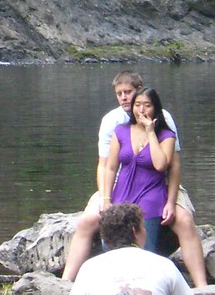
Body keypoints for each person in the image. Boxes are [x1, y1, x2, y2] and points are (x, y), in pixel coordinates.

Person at [62, 71, 207, 287]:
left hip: (159, 182)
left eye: (128, 92)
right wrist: (105, 198)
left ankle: (202, 286)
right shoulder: (113, 123)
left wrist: (170, 201)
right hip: (120, 183)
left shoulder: (164, 121)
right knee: (87, 221)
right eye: (119, 93)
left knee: (184, 221)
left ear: (139, 91)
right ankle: (65, 282)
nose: (124, 98)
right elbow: (106, 165)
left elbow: (173, 166)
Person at [102, 87, 176, 254]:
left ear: (155, 108)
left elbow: (160, 165)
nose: (141, 110)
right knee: (109, 242)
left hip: (150, 193)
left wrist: (151, 133)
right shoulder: (120, 131)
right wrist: (106, 199)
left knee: (145, 246)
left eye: (147, 105)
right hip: (123, 191)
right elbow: (111, 167)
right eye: (137, 105)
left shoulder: (166, 136)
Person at [71, 202, 192, 295]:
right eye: (143, 227)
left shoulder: (89, 268)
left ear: (105, 236)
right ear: (134, 231)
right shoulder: (164, 266)